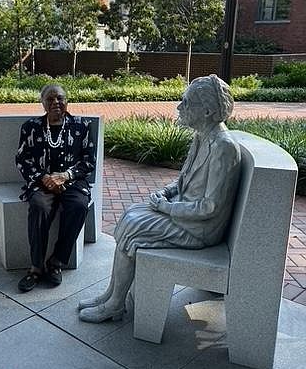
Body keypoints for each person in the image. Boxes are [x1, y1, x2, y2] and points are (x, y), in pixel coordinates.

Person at [78, 73, 241, 323]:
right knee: (130, 214)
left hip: (200, 228)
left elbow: (210, 207)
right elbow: (184, 180)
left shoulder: (223, 147)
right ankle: (111, 295)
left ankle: (114, 304)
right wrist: (167, 192)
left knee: (132, 228)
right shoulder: (202, 137)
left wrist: (166, 207)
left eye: (186, 102)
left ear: (207, 111)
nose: (179, 107)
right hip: (185, 214)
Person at [15, 83, 96, 292]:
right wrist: (44, 178)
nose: (55, 103)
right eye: (50, 99)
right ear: (42, 103)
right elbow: (22, 159)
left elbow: (89, 162)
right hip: (42, 182)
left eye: (59, 98)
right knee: (39, 206)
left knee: (79, 206)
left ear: (67, 101)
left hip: (72, 181)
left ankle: (57, 261)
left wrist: (66, 176)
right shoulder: (31, 127)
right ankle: (36, 267)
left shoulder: (81, 126)